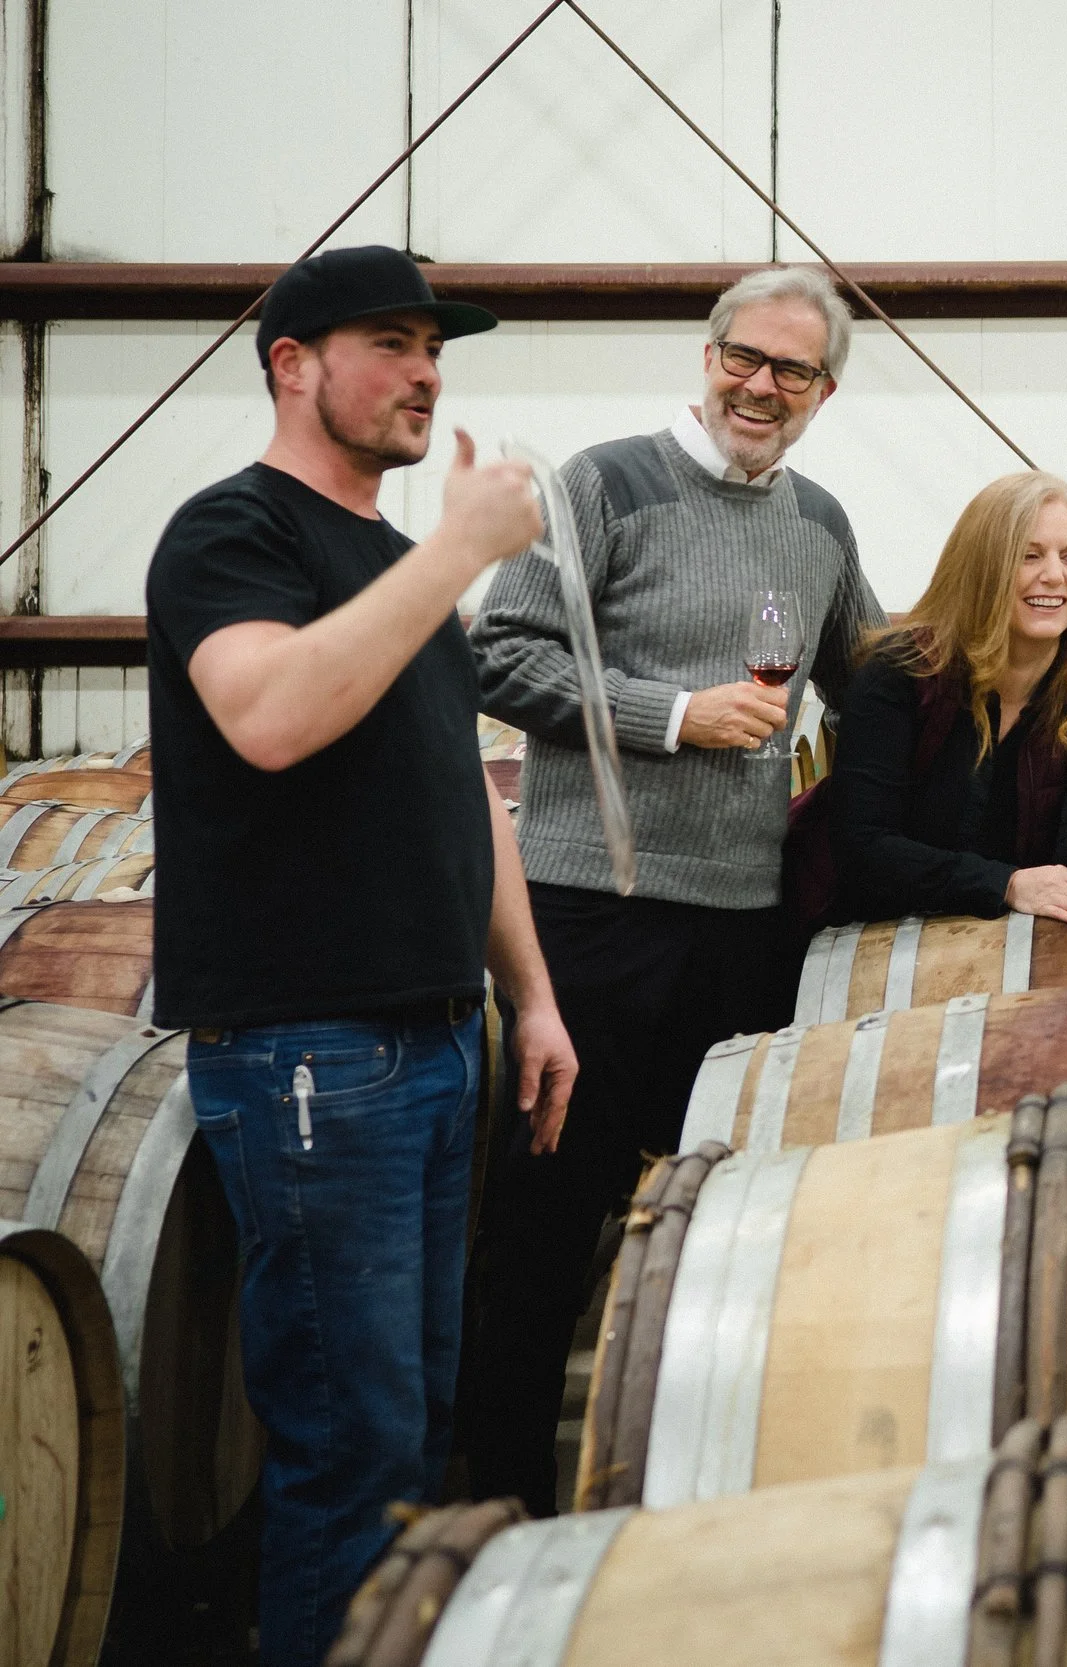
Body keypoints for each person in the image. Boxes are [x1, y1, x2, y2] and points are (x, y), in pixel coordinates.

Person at [145, 245, 578, 1667]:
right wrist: (464, 548)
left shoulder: (394, 566)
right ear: (292, 362)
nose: (427, 371)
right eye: (390, 342)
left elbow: (466, 788)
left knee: (419, 1425)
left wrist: (534, 993)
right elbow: (269, 716)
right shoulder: (228, 537)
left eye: (434, 348)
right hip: (314, 1058)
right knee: (351, 1444)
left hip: (438, 1043)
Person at [460, 265, 884, 1515]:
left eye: (792, 371)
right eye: (743, 358)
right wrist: (670, 714)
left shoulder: (820, 524)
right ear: (708, 355)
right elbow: (498, 655)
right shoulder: (601, 484)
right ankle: (503, 1504)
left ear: (825, 390)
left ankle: (676, 1497)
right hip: (593, 913)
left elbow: (880, 688)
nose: (762, 386)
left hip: (742, 929)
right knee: (547, 1223)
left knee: (718, 1222)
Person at [821, 470, 1067, 927]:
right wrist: (1006, 883)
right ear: (983, 566)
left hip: (1010, 960)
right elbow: (864, 847)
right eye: (1029, 556)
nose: (1055, 576)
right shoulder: (901, 673)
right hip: (880, 941)